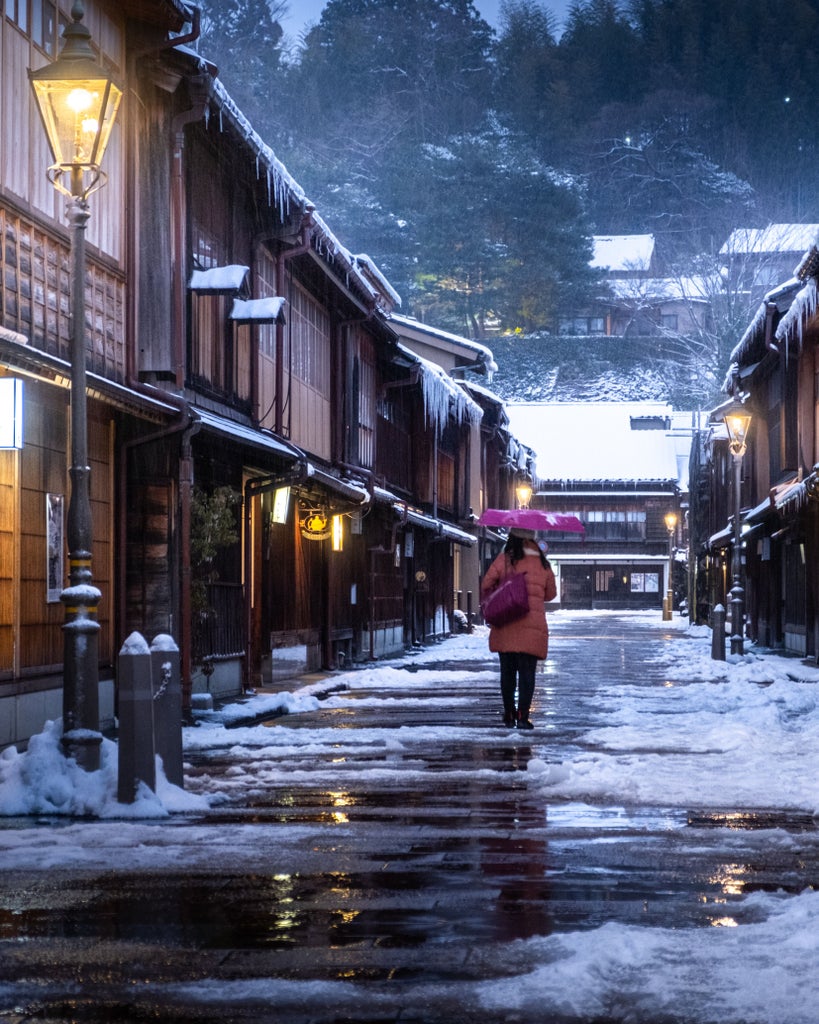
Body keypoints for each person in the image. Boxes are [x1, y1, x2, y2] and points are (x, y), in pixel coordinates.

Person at [480, 527, 557, 729]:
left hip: (506, 624)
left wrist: (505, 590)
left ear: (512, 537)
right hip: (532, 627)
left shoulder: (505, 559)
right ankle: (523, 717)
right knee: (527, 675)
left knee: (507, 674)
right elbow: (551, 595)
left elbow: (486, 584)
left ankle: (509, 714)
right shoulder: (543, 563)